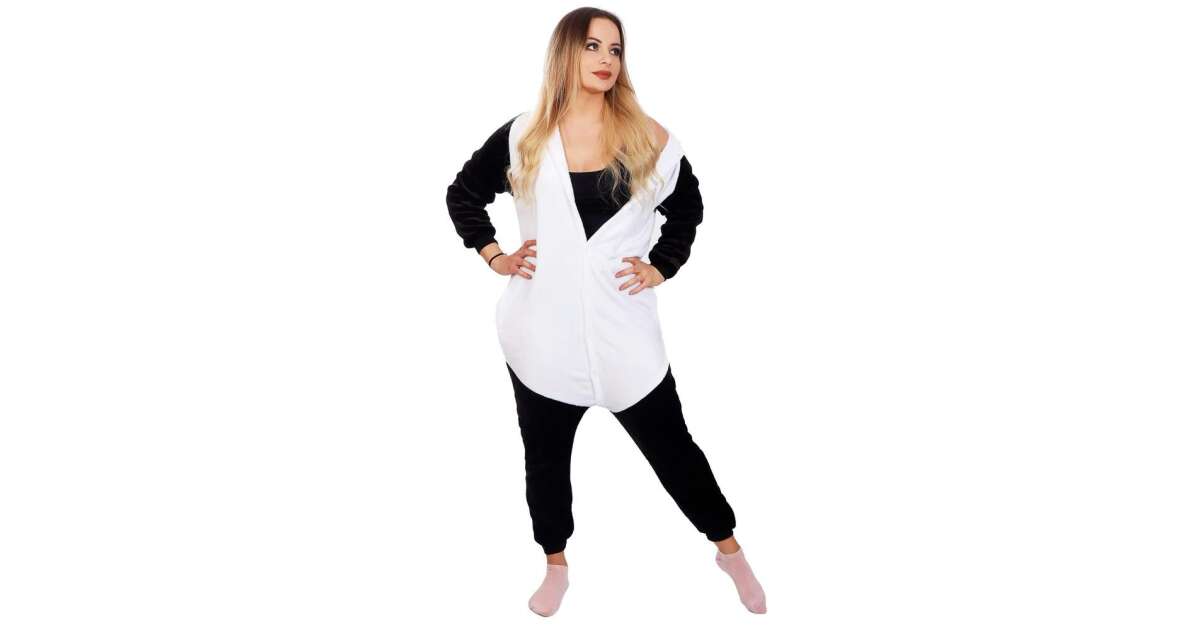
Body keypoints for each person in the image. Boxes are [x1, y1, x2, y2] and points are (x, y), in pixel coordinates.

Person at [445, 7, 766, 617]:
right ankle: (555, 564)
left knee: (675, 451)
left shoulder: (647, 136)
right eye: (592, 46)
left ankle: (729, 550)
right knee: (544, 461)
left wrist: (661, 265)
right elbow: (462, 193)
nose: (605, 60)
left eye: (615, 49)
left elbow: (688, 209)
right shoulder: (523, 136)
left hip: (625, 335)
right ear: (565, 53)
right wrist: (495, 255)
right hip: (541, 335)